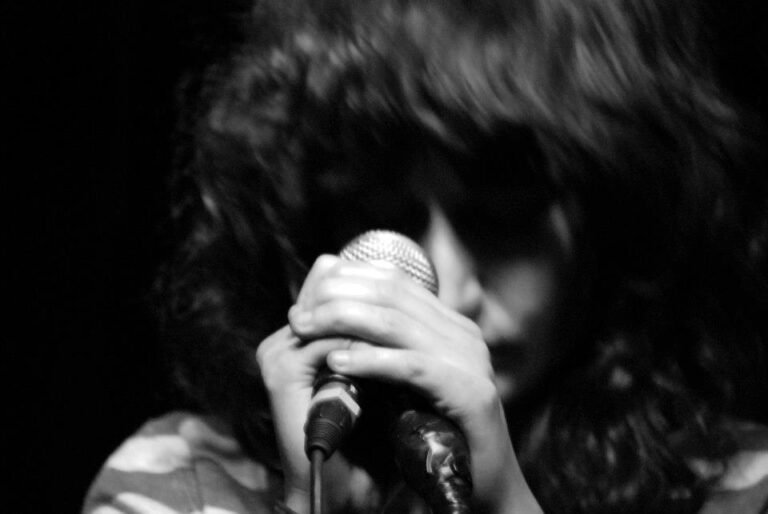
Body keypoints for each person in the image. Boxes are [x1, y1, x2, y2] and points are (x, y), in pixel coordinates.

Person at [83, 0, 768, 512]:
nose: (447, 291)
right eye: (382, 216)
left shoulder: (741, 489)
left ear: (614, 220)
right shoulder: (176, 481)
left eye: (503, 220)